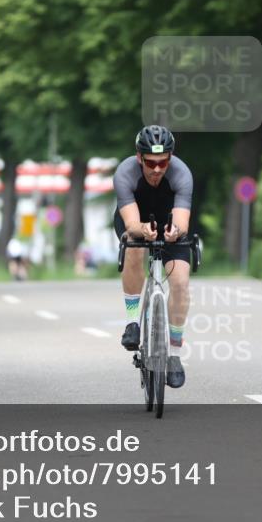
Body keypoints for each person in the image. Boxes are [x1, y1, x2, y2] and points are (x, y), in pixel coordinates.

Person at [113, 125, 192, 389]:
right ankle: (133, 323)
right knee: (134, 245)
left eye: (163, 162)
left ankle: (174, 355)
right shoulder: (125, 173)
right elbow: (132, 222)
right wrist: (142, 230)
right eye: (150, 162)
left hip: (170, 224)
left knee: (180, 282)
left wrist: (174, 232)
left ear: (170, 158)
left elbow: (182, 221)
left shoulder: (182, 174)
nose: (157, 169)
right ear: (139, 158)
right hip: (136, 221)